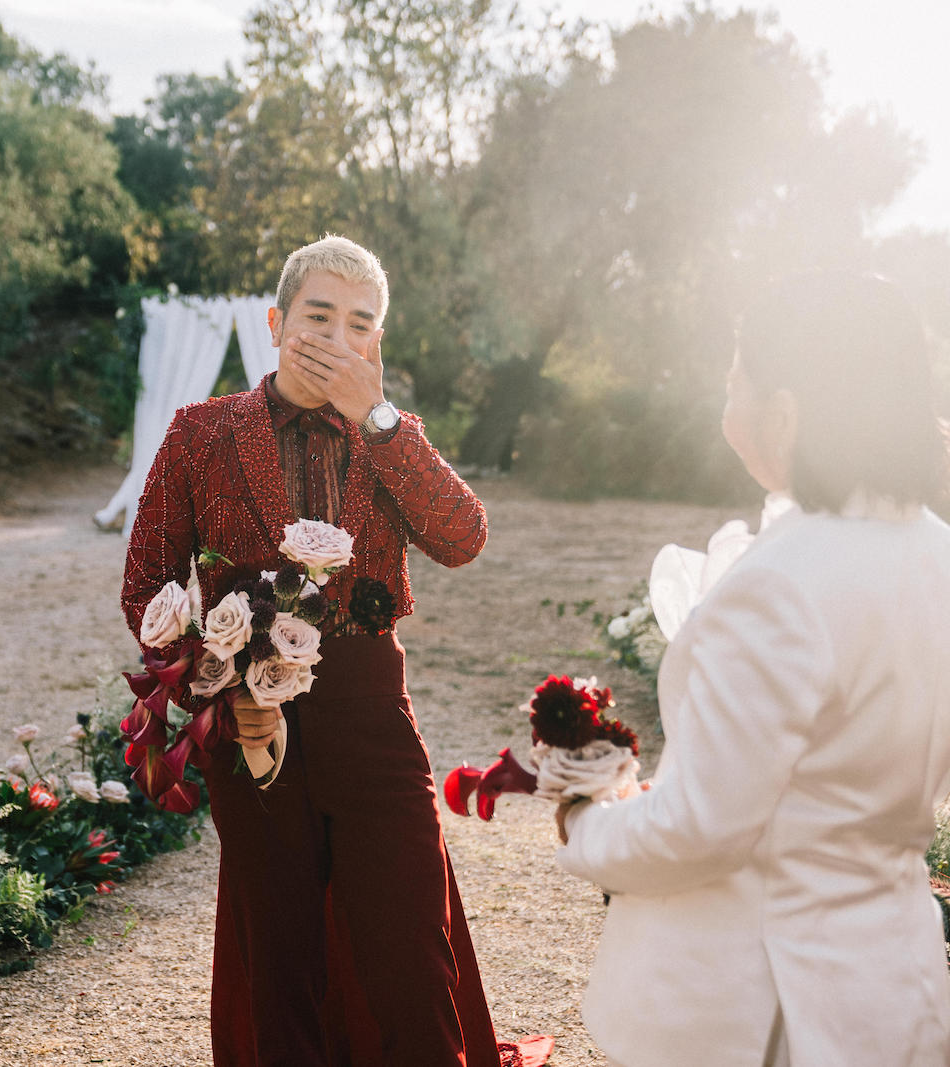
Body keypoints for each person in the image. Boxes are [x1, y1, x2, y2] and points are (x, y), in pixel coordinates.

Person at [123, 236, 527, 1066]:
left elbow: (463, 537)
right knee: (279, 955)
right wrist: (217, 677)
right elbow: (146, 585)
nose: (336, 335)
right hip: (251, 721)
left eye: (360, 323)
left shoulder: (391, 435)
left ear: (376, 344)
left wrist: (378, 421)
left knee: (413, 941)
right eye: (318, 314)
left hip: (372, 710)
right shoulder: (201, 433)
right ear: (275, 322)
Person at [556, 272, 950, 1066]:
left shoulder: (781, 579)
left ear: (786, 411)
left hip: (763, 1005)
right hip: (894, 984)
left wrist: (586, 822)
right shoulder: (938, 554)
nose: (726, 403)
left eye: (735, 379)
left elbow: (703, 827)